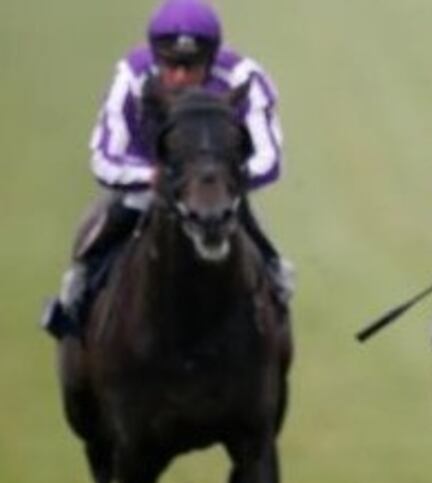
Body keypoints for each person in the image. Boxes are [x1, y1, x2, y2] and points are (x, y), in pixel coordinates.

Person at [42, 0, 291, 339]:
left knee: (260, 252)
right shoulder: (130, 74)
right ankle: (78, 296)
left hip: (216, 190)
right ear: (156, 57)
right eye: (171, 66)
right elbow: (104, 157)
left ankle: (276, 289)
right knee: (110, 225)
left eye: (193, 67)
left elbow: (269, 158)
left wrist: (227, 182)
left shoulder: (244, 77)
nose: (181, 78)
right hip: (147, 185)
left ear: (212, 57)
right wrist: (152, 178)